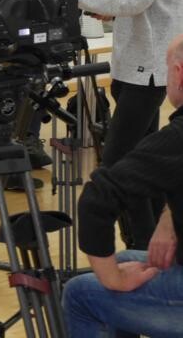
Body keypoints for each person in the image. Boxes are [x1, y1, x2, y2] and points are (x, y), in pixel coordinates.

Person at [38, 0, 183, 249]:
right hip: (133, 65)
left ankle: (138, 252)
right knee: (143, 171)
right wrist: (108, 9)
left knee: (117, 172)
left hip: (148, 71)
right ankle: (150, 255)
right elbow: (141, 1)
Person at [62, 33, 183, 337]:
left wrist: (113, 279)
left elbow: (97, 199)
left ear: (179, 74)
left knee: (80, 294)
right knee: (128, 259)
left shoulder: (176, 139)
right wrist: (168, 220)